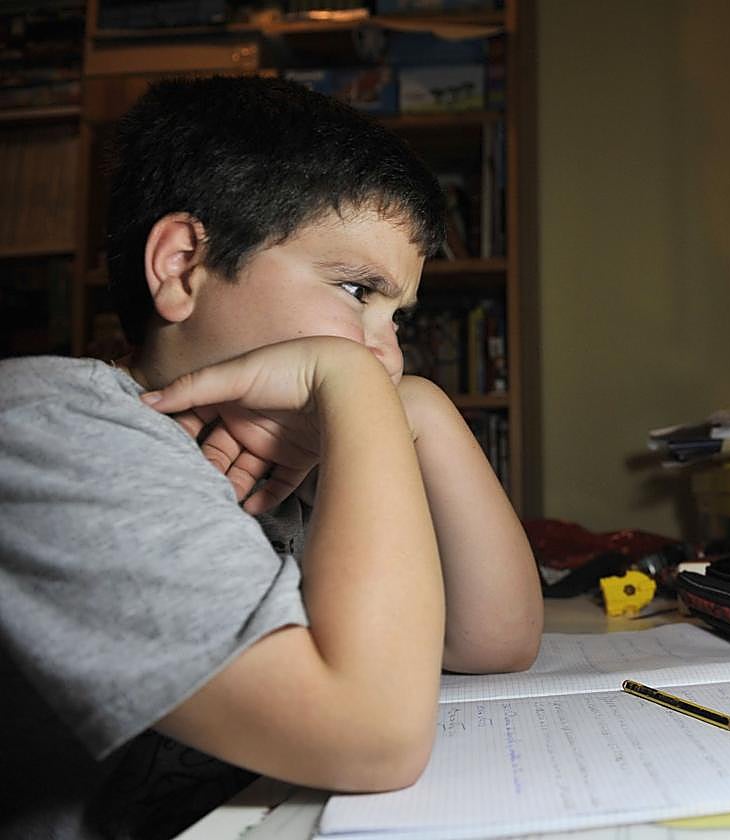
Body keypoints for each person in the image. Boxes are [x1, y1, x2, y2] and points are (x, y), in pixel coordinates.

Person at [0, 74, 543, 839]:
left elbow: (498, 640)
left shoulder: (297, 451)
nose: (385, 352)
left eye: (398, 319)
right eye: (357, 291)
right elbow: (373, 736)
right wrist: (349, 381)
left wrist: (419, 406)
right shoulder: (53, 430)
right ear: (183, 264)